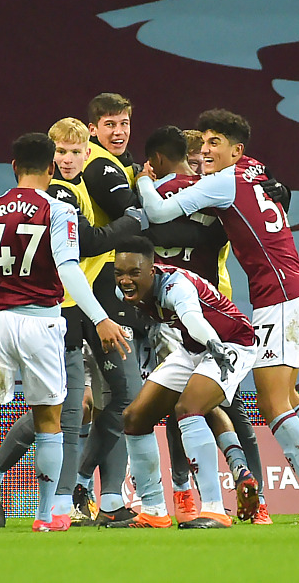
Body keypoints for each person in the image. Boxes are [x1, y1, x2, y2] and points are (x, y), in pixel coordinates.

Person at [136, 109, 299, 523]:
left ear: (235, 150)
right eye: (202, 143)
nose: (205, 151)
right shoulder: (254, 169)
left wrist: (144, 180)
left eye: (214, 144)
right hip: (298, 287)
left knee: (272, 401)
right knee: (291, 395)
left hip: (278, 294)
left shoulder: (222, 183)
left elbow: (158, 213)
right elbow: (272, 186)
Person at [0, 132, 131, 534]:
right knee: (49, 420)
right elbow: (68, 269)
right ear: (51, 167)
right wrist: (101, 317)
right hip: (42, 324)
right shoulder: (57, 209)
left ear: (13, 167)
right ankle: (47, 515)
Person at [0, 118, 147, 527]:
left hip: (84, 305)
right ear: (50, 159)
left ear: (87, 154)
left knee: (113, 399)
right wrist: (134, 218)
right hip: (59, 311)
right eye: (61, 152)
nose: (68, 159)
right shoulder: (55, 193)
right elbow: (89, 242)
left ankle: (97, 495)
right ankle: (57, 500)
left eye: (76, 152)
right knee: (68, 411)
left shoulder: (82, 186)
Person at [73, 93, 215, 524]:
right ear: (93, 128)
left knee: (120, 404)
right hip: (103, 299)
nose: (118, 132)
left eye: (124, 124)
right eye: (109, 124)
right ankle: (92, 493)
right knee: (123, 404)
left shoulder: (122, 166)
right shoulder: (98, 165)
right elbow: (133, 218)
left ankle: (115, 498)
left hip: (134, 301)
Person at [149, 125, 273, 524]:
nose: (202, 162)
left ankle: (185, 494)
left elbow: (147, 226)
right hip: (214, 308)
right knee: (228, 407)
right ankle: (255, 498)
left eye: (207, 154)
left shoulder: (157, 193)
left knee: (177, 407)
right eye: (198, 156)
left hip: (172, 312)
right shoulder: (216, 194)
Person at [109, 236, 258, 528]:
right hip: (192, 349)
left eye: (133, 273)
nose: (125, 280)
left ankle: (215, 509)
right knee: (135, 417)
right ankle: (153, 510)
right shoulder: (124, 292)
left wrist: (214, 344)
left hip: (230, 345)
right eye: (119, 273)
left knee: (189, 408)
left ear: (152, 270)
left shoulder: (177, 286)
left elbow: (192, 317)